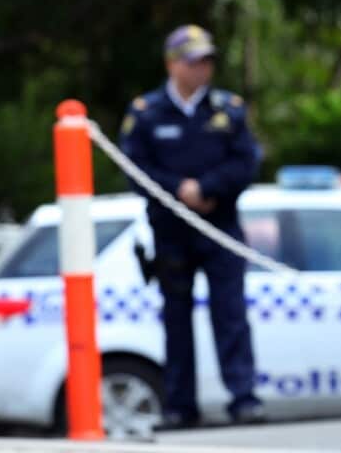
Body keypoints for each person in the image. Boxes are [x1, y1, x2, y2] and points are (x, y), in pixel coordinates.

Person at [119, 25, 265, 429]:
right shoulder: (146, 113)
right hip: (171, 232)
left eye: (207, 61)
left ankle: (243, 398)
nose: (202, 69)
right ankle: (181, 405)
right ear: (172, 64)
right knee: (176, 320)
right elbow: (134, 169)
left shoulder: (227, 110)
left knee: (231, 315)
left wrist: (206, 188)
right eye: (193, 61)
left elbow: (245, 162)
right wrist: (178, 191)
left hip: (220, 228)